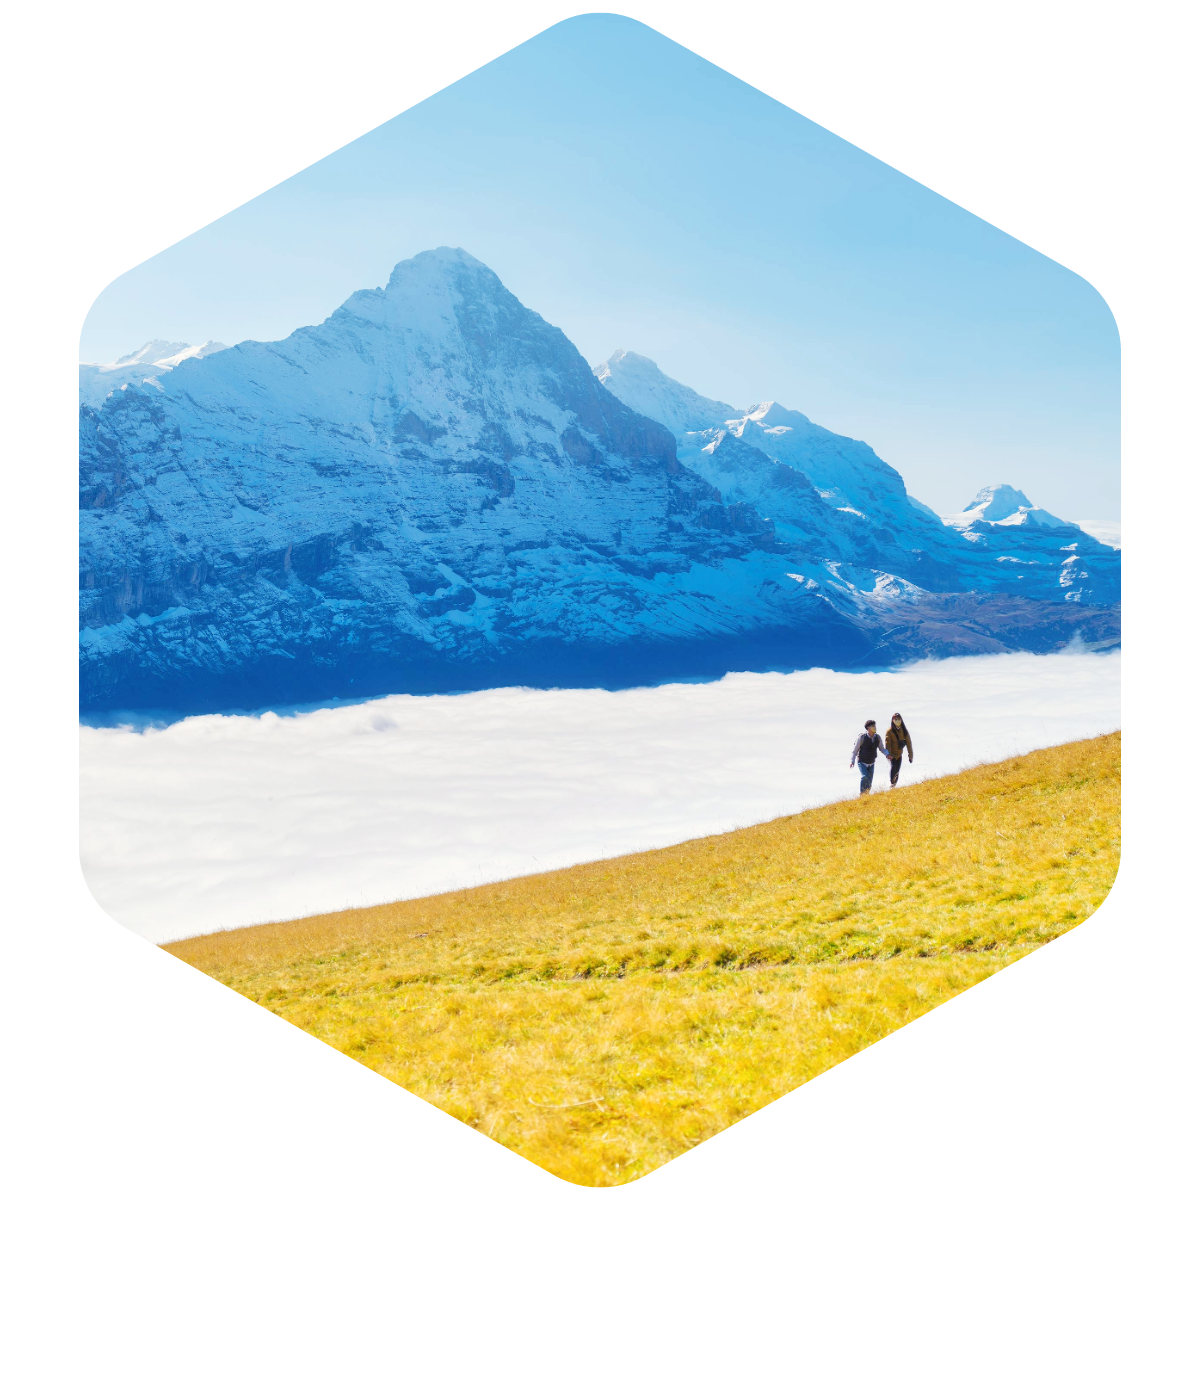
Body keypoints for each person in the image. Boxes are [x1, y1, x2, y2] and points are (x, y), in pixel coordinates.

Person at [850, 720, 884, 794]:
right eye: (872, 726)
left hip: (871, 762)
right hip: (862, 762)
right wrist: (852, 761)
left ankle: (866, 795)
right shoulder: (862, 737)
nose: (874, 727)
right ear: (868, 728)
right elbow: (855, 750)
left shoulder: (877, 738)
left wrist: (887, 754)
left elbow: (882, 748)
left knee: (869, 781)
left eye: (875, 726)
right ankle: (862, 794)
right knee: (865, 776)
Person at [884, 712, 914, 788]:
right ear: (892, 720)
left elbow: (908, 743)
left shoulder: (904, 730)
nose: (897, 720)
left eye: (898, 719)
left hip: (899, 754)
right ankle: (892, 783)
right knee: (893, 768)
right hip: (892, 755)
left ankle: (894, 785)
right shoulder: (889, 731)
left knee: (897, 770)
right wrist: (889, 754)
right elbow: (888, 744)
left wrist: (910, 756)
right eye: (895, 719)